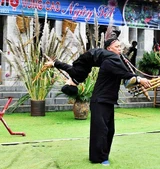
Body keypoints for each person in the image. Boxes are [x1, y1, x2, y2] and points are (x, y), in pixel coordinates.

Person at [45, 38, 151, 166]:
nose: (120, 49)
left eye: (119, 46)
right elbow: (123, 72)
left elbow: (68, 67)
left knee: (109, 130)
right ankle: (97, 158)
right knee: (101, 131)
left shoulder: (83, 72)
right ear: (109, 49)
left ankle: (103, 156)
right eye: (117, 46)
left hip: (107, 99)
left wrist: (55, 63)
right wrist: (138, 79)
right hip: (100, 100)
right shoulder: (110, 61)